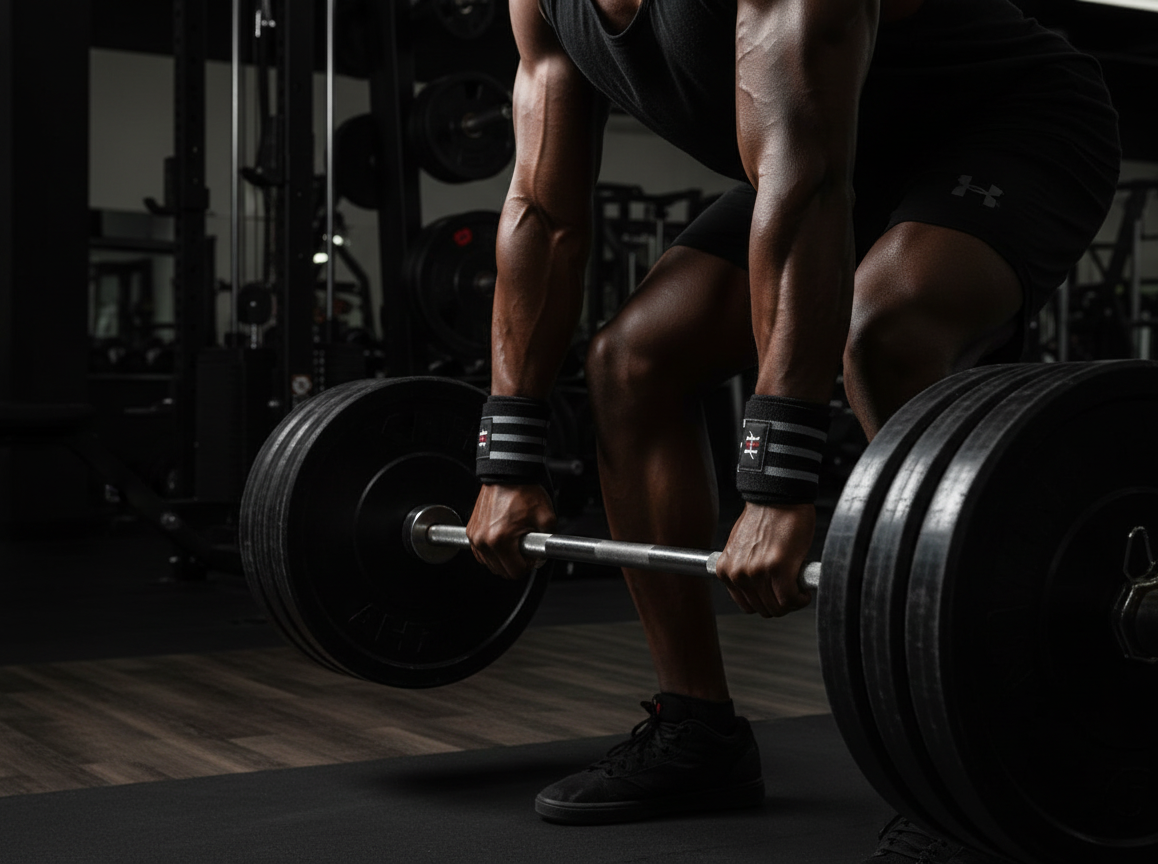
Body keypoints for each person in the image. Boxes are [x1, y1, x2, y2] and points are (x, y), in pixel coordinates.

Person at [465, 0, 1120, 859]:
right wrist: (508, 456)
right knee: (632, 362)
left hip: (1007, 125)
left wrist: (778, 482)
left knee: (880, 336)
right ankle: (697, 731)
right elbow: (542, 216)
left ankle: (980, 758)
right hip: (843, 150)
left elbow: (804, 182)